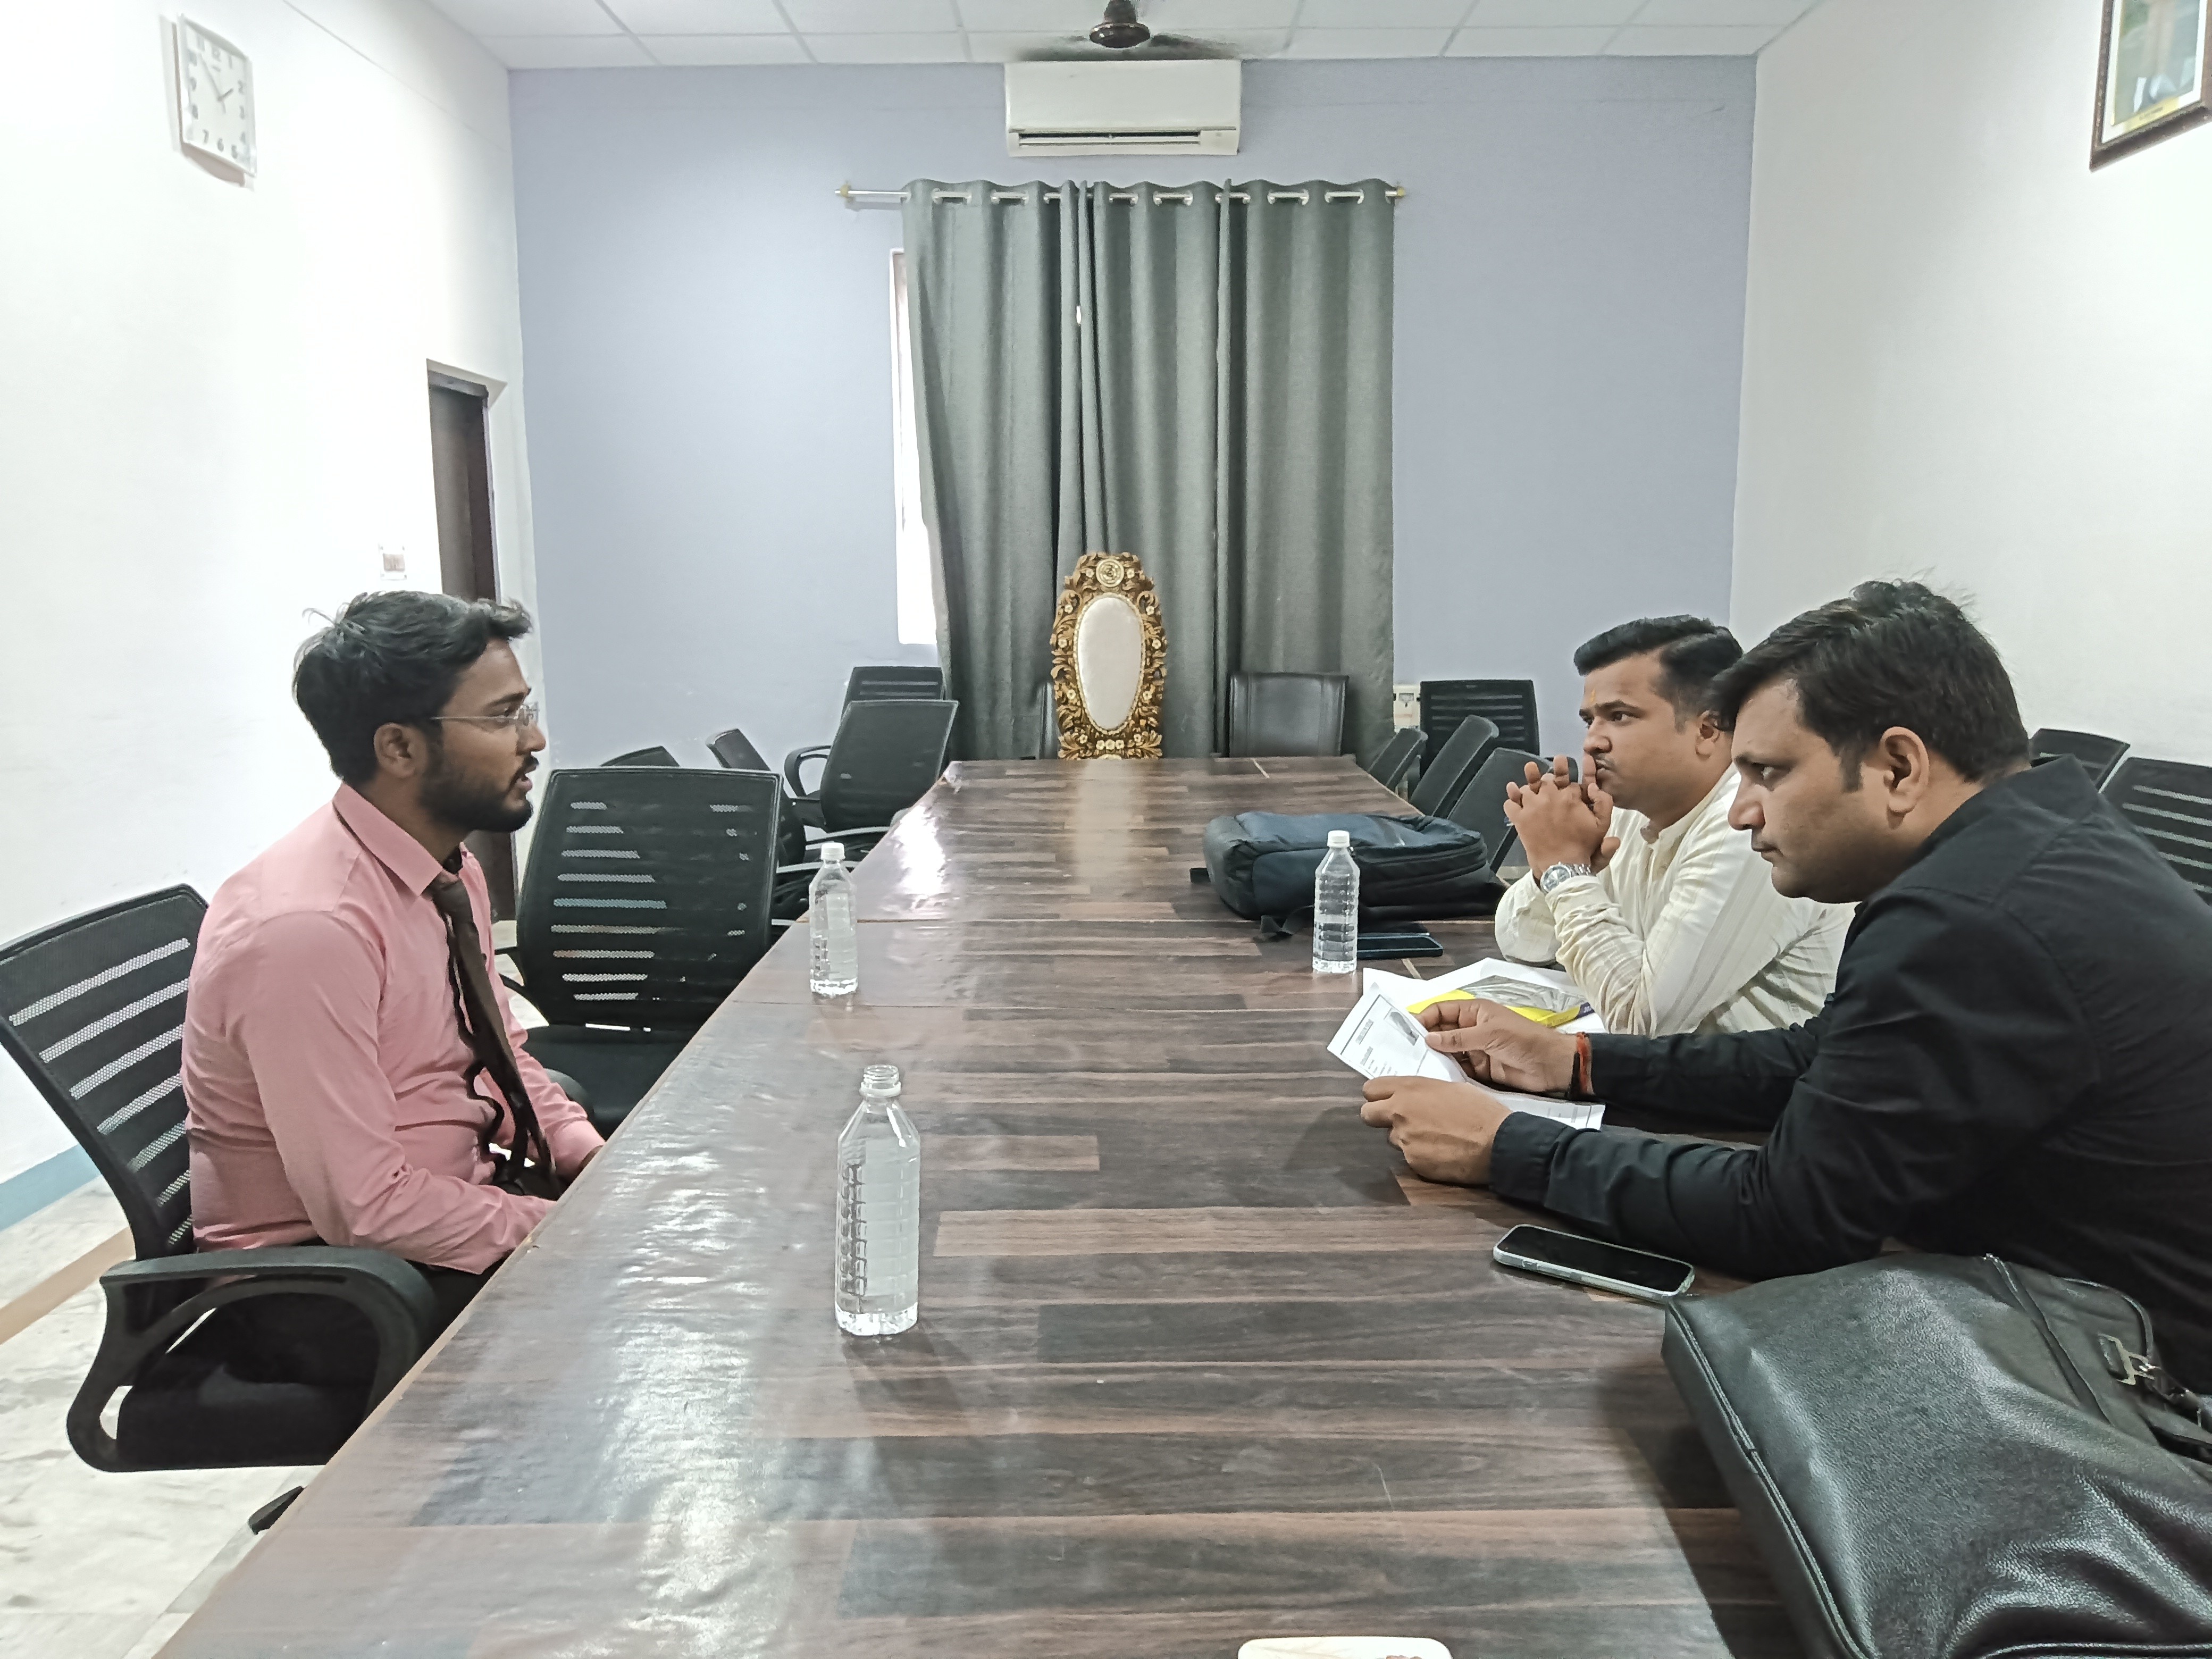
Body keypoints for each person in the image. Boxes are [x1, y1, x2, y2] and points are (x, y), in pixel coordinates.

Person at [1359, 581, 2212, 1383]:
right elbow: (1822, 1052)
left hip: (2137, 1397)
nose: (1741, 810)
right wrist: (1577, 1061)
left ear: (1900, 769)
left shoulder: (1969, 915)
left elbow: (1790, 1219)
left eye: (1769, 773)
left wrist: (1507, 1145)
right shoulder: (2038, 842)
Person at [185, 591, 604, 1373]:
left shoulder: (445, 869)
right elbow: (365, 1208)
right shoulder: (308, 931)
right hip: (328, 1287)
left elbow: (499, 1053)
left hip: (434, 1213)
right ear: (400, 749)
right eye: (504, 716)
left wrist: (588, 1157)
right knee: (652, 1322)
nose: (535, 739)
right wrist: (556, 1229)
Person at [1494, 616, 1849, 1035]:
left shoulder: (1748, 827)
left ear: (1707, 728)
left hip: (1759, 1095)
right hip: (1672, 1081)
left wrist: (1565, 873)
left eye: (1620, 716)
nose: (1592, 741)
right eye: (1590, 720)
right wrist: (1557, 868)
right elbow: (1522, 944)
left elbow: (1643, 1023)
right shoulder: (1628, 811)